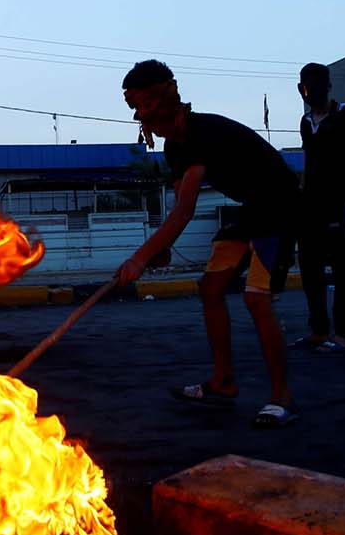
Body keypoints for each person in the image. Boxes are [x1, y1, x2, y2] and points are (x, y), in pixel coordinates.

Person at [114, 60, 301, 427]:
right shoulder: (174, 149)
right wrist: (161, 249)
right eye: (132, 107)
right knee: (211, 287)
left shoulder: (201, 133)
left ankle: (283, 398)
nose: (138, 114)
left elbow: (184, 211)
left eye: (140, 104)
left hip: (280, 204)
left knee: (256, 297)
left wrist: (139, 258)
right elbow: (178, 200)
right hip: (252, 208)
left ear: (161, 98)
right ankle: (223, 381)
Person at [293, 62, 345, 352]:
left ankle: (343, 335)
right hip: (310, 204)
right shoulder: (305, 122)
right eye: (303, 87)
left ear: (325, 86)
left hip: (340, 202)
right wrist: (300, 196)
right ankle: (319, 330)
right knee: (310, 267)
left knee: (340, 268)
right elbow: (307, 162)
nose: (307, 92)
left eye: (311, 86)